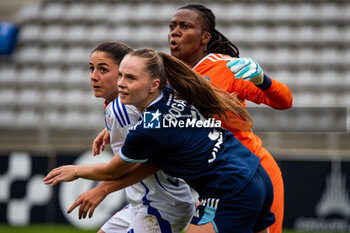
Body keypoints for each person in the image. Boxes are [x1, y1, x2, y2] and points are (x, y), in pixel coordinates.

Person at [44, 48, 275, 233]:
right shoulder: (172, 91)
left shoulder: (147, 131)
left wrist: (76, 171)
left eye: (131, 78)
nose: (121, 83)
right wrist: (109, 130)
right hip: (255, 172)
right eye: (121, 75)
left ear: (154, 83)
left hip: (229, 188)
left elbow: (111, 171)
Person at [167, 4, 293, 233]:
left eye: (185, 26)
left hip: (254, 169)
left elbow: (284, 101)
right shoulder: (168, 77)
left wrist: (261, 79)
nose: (175, 31)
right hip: (217, 179)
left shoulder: (226, 68)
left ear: (205, 37)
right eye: (172, 26)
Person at [70, 42, 195, 233]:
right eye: (91, 68)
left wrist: (99, 187)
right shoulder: (136, 104)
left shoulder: (121, 108)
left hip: (161, 205)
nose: (94, 76)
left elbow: (154, 160)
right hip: (146, 203)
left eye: (103, 70)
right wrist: (109, 130)